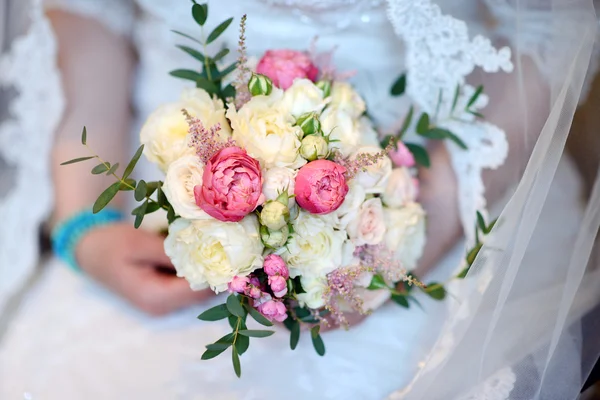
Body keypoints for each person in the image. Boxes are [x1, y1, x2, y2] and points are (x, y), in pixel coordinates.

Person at [0, 0, 598, 399]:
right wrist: (85, 227)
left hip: (446, 195)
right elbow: (89, 15)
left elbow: (549, 30)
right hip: (155, 225)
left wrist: (414, 228)